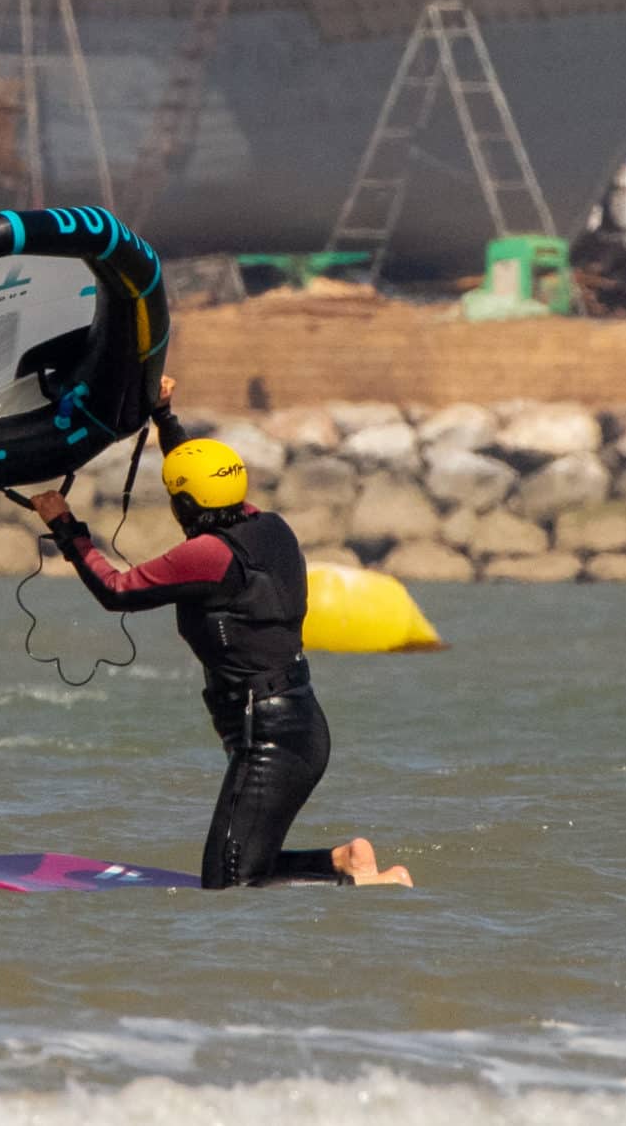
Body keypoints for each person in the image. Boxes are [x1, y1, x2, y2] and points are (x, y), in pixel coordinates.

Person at [27, 377, 412, 890]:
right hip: (295, 722)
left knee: (228, 885)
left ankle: (370, 885)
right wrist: (164, 416)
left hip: (268, 738)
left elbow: (116, 590)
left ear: (183, 505)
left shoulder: (207, 555)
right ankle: (343, 863)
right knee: (240, 869)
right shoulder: (268, 526)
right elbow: (197, 472)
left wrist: (66, 528)